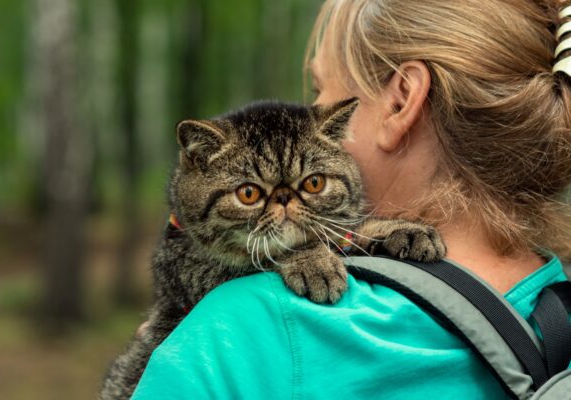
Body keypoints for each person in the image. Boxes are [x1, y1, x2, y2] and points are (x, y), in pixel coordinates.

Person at [131, 0, 571, 398]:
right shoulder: (558, 309)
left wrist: (194, 354)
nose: (313, 110)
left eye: (320, 89)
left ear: (401, 101)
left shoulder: (244, 329)